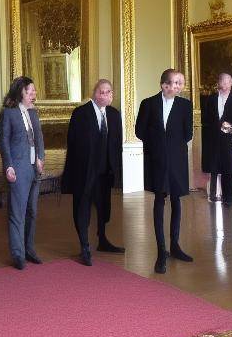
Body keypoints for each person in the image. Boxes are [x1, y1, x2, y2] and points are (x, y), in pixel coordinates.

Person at [135, 69, 193, 274]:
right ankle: (161, 252)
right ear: (164, 85)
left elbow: (188, 133)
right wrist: (159, 145)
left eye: (180, 83)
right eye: (175, 83)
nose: (178, 86)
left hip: (177, 161)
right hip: (157, 160)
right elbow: (139, 131)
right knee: (159, 201)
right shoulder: (148, 103)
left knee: (176, 201)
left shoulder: (185, 105)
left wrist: (172, 147)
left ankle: (175, 246)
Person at [62, 79, 124, 266]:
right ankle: (85, 246)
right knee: (82, 207)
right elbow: (73, 145)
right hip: (85, 172)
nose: (106, 95)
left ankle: (102, 240)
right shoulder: (81, 114)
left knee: (104, 207)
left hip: (105, 171)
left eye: (109, 92)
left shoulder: (114, 115)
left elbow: (116, 144)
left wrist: (117, 170)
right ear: (95, 93)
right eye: (102, 91)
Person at [0, 76, 45, 270]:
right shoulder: (8, 113)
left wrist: (41, 157)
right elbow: (3, 141)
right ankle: (17, 254)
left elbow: (40, 139)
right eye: (30, 90)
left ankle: (29, 249)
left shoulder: (34, 113)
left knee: (32, 211)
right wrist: (8, 166)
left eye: (34, 90)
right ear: (21, 92)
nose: (34, 93)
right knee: (17, 213)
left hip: (35, 168)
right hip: (18, 169)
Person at [201, 73, 232, 205]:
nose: (225, 85)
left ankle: (229, 199)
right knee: (214, 167)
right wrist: (217, 125)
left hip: (228, 138)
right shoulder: (210, 99)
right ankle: (214, 195)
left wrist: (229, 124)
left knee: (229, 167)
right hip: (213, 138)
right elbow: (205, 118)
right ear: (218, 83)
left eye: (228, 82)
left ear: (231, 83)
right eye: (223, 82)